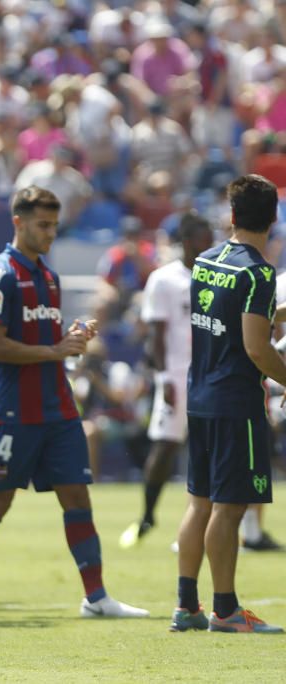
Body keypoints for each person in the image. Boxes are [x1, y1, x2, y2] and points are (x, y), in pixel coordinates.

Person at [0, 186, 148, 619]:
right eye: (43, 225)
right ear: (19, 222)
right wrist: (54, 351)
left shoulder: (48, 276)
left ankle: (96, 597)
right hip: (14, 408)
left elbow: (41, 338)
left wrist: (70, 338)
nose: (51, 233)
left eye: (54, 225)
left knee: (77, 498)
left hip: (57, 407)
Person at [173, 174, 286, 634]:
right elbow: (257, 348)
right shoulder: (260, 273)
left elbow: (229, 318)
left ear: (232, 215)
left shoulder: (204, 260)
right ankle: (225, 610)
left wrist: (277, 314)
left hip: (199, 395)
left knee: (198, 503)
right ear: (273, 219)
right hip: (236, 401)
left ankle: (187, 607)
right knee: (230, 507)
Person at [119, 213, 213, 549]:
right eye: (204, 238)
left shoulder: (214, 277)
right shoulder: (164, 279)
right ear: (187, 241)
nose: (209, 244)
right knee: (165, 447)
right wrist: (164, 379)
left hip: (210, 374)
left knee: (208, 450)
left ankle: (197, 525)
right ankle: (147, 515)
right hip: (176, 375)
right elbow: (155, 336)